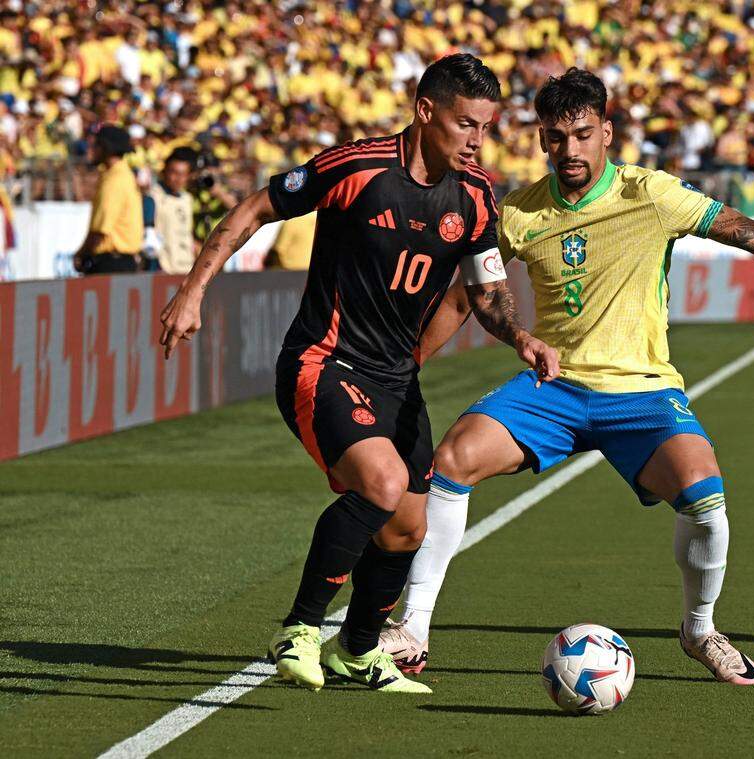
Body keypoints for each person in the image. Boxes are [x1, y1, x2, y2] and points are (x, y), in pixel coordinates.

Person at [380, 69, 754, 685]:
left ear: (606, 132)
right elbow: (469, 296)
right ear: (541, 141)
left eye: (582, 135)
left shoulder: (651, 195)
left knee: (705, 495)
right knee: (452, 458)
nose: (570, 151)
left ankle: (700, 628)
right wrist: (410, 364)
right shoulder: (520, 213)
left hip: (643, 391)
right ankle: (413, 629)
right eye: (556, 138)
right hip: (556, 388)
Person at [157, 54, 558, 694]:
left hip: (396, 379)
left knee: (408, 527)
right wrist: (194, 290)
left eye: (485, 126)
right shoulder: (355, 168)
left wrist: (519, 337)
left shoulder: (477, 195)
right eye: (465, 124)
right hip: (324, 360)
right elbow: (254, 209)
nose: (477, 139)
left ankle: (358, 650)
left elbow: (485, 291)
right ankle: (299, 629)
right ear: (426, 112)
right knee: (383, 482)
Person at [72, 124, 143, 275]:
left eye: (95, 144)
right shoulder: (123, 175)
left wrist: (81, 254)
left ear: (106, 147)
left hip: (111, 263)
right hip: (120, 262)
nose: (90, 149)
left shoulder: (114, 180)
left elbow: (101, 229)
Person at [144, 146, 195, 274]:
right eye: (174, 172)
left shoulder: (187, 199)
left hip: (186, 268)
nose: (178, 178)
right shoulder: (152, 197)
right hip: (163, 270)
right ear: (164, 171)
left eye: (183, 174)